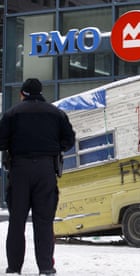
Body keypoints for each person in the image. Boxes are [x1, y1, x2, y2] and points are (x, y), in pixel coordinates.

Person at [0, 78, 76, 275]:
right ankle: (46, 267)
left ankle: (14, 268)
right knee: (43, 221)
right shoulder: (56, 113)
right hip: (45, 170)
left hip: (19, 170)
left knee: (17, 221)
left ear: (23, 93)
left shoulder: (12, 114)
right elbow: (69, 140)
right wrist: (54, 148)